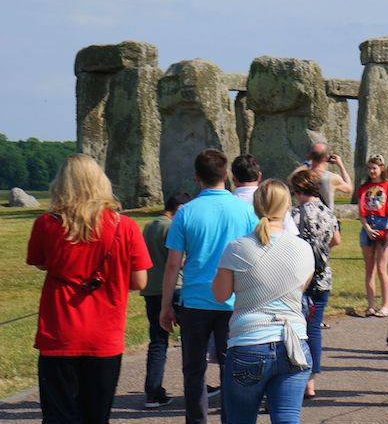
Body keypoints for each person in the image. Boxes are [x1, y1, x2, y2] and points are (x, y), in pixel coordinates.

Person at [26, 154, 152, 424]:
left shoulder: (47, 224)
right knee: (96, 416)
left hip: (59, 333)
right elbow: (140, 281)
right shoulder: (125, 227)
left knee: (58, 416)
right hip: (104, 336)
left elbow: (39, 262)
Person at [161, 148, 259, 424]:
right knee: (232, 368)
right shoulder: (245, 212)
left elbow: (172, 264)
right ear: (226, 174)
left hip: (195, 300)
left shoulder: (185, 213)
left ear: (197, 177)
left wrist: (166, 304)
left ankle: (196, 421)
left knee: (193, 369)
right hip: (234, 300)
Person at [212, 180, 315, 424]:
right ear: (288, 205)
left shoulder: (237, 248)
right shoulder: (303, 249)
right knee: (288, 418)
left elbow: (220, 294)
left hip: (249, 342)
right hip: (294, 343)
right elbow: (302, 287)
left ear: (255, 206)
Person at [289, 169, 341, 399]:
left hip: (299, 278)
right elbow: (336, 240)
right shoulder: (328, 213)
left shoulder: (294, 214)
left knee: (297, 330)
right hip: (322, 277)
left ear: (299, 191)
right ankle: (311, 381)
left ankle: (297, 375)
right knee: (315, 329)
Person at [141, 191, 191, 409]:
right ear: (179, 208)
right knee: (190, 340)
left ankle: (153, 391)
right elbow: (177, 260)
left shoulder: (149, 226)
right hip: (174, 288)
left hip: (151, 288)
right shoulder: (171, 227)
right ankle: (193, 387)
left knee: (158, 341)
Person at [356, 154, 388, 316]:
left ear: (381, 169)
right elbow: (361, 212)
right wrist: (366, 228)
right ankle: (371, 305)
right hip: (368, 226)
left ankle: (386, 304)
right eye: (369, 168)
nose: (371, 171)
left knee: (382, 268)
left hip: (383, 225)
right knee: (369, 269)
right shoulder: (363, 188)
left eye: (374, 168)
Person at [234, 153, 298, 235]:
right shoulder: (274, 199)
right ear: (260, 176)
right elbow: (292, 233)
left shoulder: (227, 203)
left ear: (234, 179)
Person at [288, 142, 353, 212]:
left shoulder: (303, 176)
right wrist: (340, 165)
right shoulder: (332, 178)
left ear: (311, 155)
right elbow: (349, 188)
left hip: (305, 217)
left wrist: (307, 163)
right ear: (327, 157)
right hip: (325, 219)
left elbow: (290, 179)